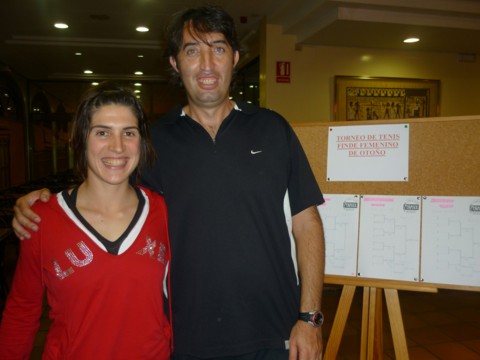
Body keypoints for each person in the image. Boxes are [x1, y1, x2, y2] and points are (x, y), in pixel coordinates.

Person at [12, 6, 325, 360]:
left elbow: (307, 224)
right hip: (187, 340)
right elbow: (106, 183)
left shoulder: (274, 129)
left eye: (218, 48)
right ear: (176, 63)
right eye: (192, 50)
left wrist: (310, 318)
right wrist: (43, 202)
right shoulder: (152, 144)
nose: (206, 64)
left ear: (235, 58)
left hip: (276, 334)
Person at [1, 82, 172, 359]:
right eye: (102, 132)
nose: (117, 147)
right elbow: (22, 310)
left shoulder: (163, 212)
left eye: (128, 133)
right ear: (81, 138)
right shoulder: (41, 218)